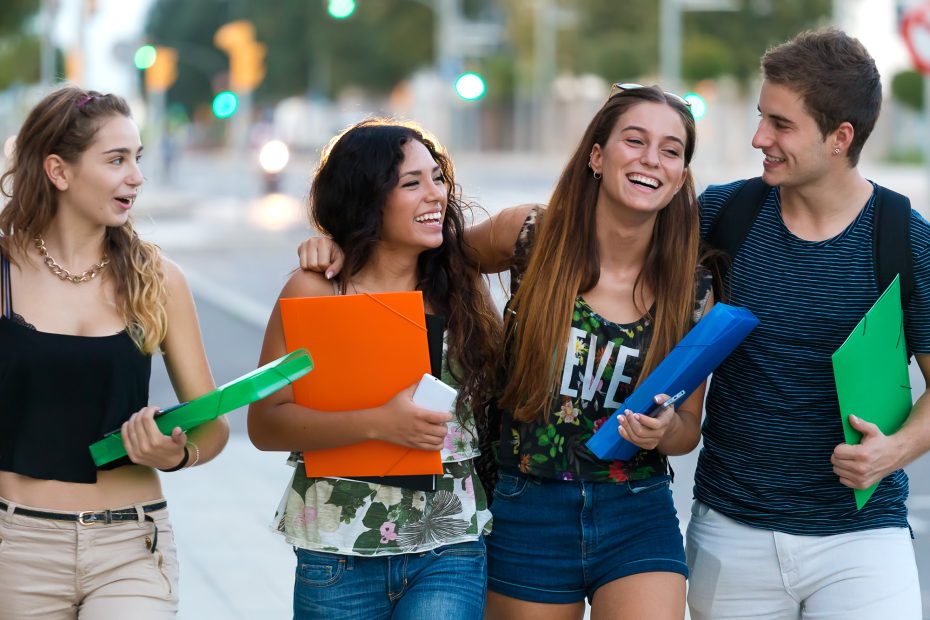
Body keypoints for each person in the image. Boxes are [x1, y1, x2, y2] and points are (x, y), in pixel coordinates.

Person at [298, 85, 714, 619]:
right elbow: (427, 256)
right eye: (635, 141)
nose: (651, 159)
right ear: (596, 155)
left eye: (671, 150)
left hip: (636, 507)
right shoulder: (531, 237)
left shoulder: (692, 287)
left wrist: (662, 432)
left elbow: (687, 429)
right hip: (527, 507)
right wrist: (339, 245)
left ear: (681, 174)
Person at [685, 29, 930, 619]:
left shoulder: (903, 238)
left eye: (781, 125)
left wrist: (893, 451)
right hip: (729, 531)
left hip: (862, 540)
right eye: (761, 117)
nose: (758, 138)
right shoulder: (723, 216)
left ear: (840, 137)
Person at [247, 118, 502, 619]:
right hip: (340, 552)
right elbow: (265, 423)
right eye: (412, 183)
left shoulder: (458, 287)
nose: (436, 195)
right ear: (367, 198)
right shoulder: (316, 290)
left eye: (437, 177)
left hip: (448, 546)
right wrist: (379, 423)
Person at [0, 86, 229, 619]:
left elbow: (213, 426)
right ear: (59, 170)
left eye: (138, 159)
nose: (137, 177)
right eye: (117, 160)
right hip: (16, 549)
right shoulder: (3, 273)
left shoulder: (159, 279)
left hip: (130, 545)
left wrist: (176, 453)